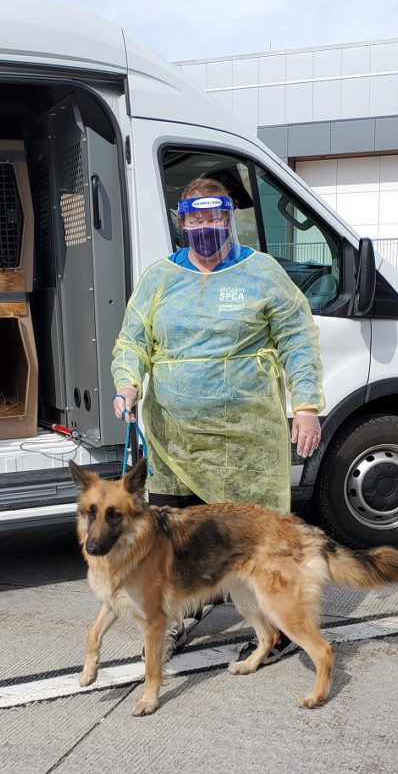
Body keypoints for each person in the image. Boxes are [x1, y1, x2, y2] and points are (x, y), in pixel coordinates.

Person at [111, 176, 324, 661]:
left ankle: (279, 628)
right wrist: (127, 382)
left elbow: (297, 339)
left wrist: (306, 407)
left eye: (212, 216)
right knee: (173, 542)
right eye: (193, 217)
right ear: (181, 222)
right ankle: (175, 617)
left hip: (243, 442)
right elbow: (133, 338)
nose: (203, 226)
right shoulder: (160, 277)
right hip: (175, 441)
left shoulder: (262, 273)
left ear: (228, 219)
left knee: (256, 541)